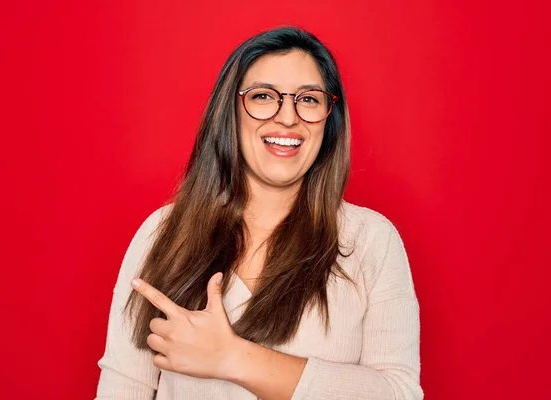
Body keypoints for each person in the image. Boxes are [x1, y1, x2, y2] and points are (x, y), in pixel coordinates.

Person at [95, 26, 423, 400]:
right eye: (264, 96)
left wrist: (235, 358)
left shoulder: (371, 240)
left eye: (309, 99)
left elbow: (399, 393)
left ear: (329, 120)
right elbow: (123, 388)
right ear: (229, 113)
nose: (288, 118)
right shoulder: (164, 233)